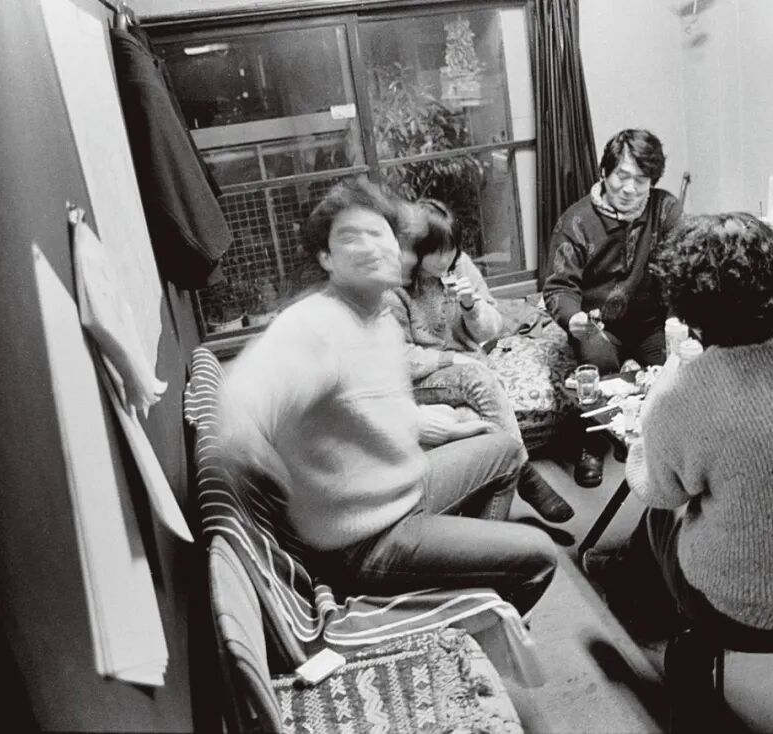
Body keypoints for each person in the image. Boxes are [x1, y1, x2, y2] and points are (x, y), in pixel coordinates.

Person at [585, 212, 773, 730]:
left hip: (741, 608)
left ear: (690, 304)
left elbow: (656, 490)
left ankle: (657, 627)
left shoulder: (690, 389)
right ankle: (636, 592)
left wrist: (655, 412)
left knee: (664, 516)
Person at [217, 178, 556, 615]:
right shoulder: (313, 324)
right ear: (326, 258)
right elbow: (236, 409)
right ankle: (476, 615)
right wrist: (290, 484)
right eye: (349, 237)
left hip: (406, 490)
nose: (370, 246)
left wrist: (443, 426)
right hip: (367, 541)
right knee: (540, 556)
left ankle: (469, 584)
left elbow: (367, 411)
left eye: (378, 233)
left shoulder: (377, 318)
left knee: (503, 448)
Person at [386, 198, 575, 523]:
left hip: (470, 366)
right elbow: (401, 358)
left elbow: (493, 329)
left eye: (451, 249)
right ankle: (525, 473)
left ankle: (486, 529)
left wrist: (472, 307)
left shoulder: (460, 266)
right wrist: (452, 359)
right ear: (417, 250)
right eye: (437, 251)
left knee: (478, 423)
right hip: (422, 378)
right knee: (478, 379)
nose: (446, 259)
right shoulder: (396, 288)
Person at [543, 128, 685, 487]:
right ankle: (592, 445)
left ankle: (648, 438)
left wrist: (678, 320)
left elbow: (683, 269)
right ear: (604, 172)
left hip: (651, 323)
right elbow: (558, 286)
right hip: (599, 325)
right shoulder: (576, 221)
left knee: (674, 369)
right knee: (596, 364)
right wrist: (573, 318)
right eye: (622, 176)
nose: (630, 189)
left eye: (641, 180)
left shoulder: (666, 209)